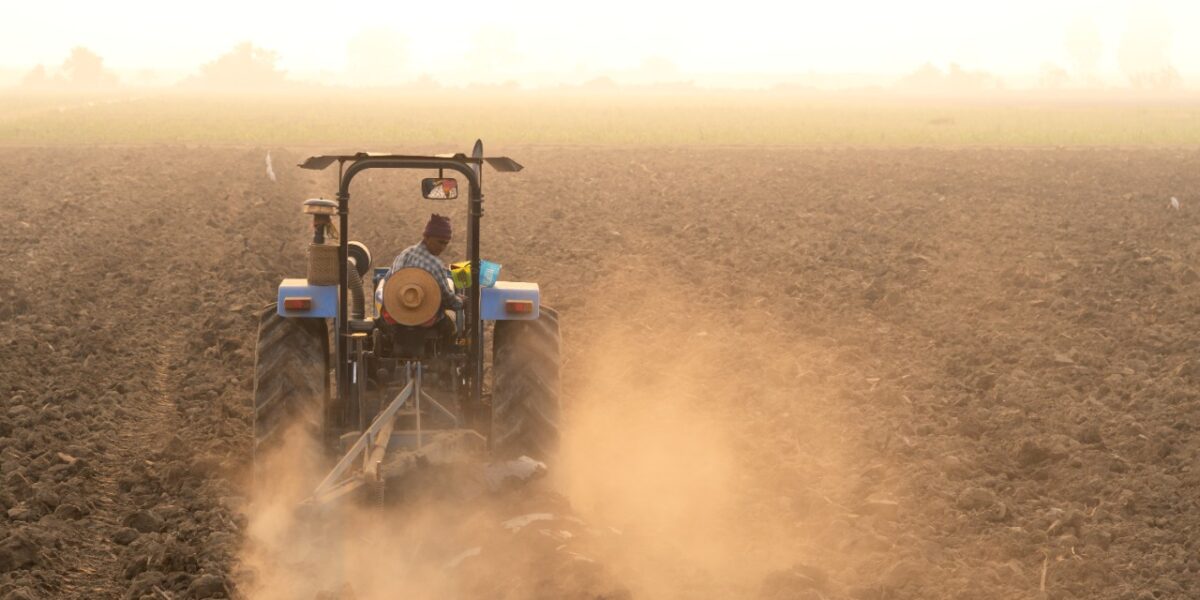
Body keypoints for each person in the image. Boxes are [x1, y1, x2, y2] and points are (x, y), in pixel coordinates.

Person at [383, 214, 463, 331]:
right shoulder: (435, 265)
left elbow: (388, 281)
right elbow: (447, 300)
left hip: (397, 316)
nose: (442, 247)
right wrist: (460, 302)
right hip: (424, 321)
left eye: (445, 244)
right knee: (450, 327)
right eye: (440, 242)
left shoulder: (404, 254)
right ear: (427, 237)